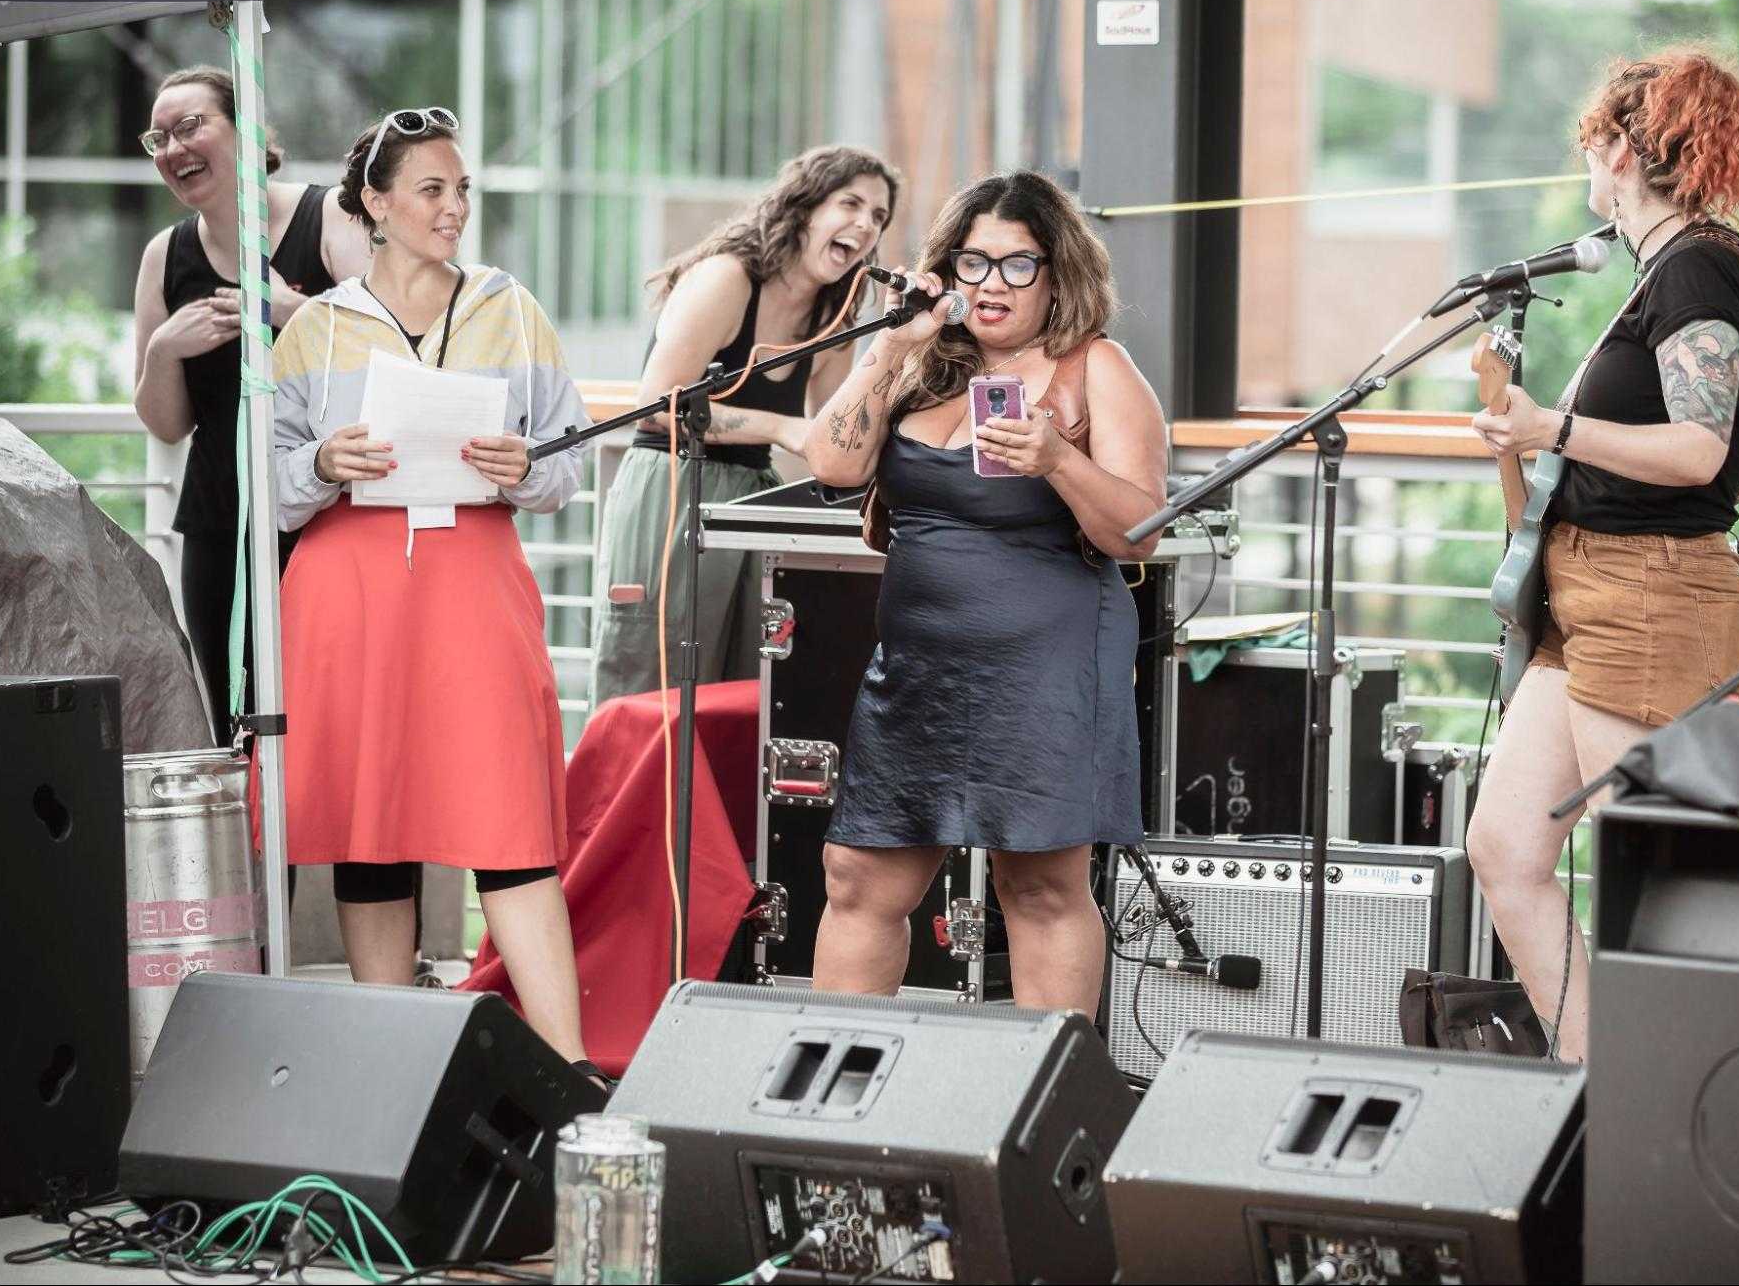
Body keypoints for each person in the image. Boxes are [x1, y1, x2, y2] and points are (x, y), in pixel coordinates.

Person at [270, 107, 600, 1079]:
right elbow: (273, 493)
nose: (455, 207)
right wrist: (323, 460)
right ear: (376, 203)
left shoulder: (511, 306)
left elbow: (562, 473)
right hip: (350, 592)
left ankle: (569, 1070)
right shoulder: (318, 330)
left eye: (462, 189)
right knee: (371, 823)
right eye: (432, 189)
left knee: (507, 814)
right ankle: (388, 1064)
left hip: (473, 587)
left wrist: (519, 465)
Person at [1466, 47, 1739, 1061]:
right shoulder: (1677, 269)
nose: (1586, 159)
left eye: (1596, 139)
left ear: (1626, 148)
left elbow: (1701, 452)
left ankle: (1651, 1109)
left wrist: (1549, 430)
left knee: (1642, 877)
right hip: (1595, 600)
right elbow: (1730, 466)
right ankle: (1590, 1080)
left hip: (1646, 599)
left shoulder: (1696, 269)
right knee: (1505, 845)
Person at [801, 171, 1168, 1017]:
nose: (990, 285)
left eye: (1015, 266)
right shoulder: (916, 356)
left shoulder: (1096, 367)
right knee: (857, 874)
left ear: (1057, 273)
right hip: (921, 661)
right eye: (972, 264)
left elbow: (1140, 528)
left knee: (1039, 884)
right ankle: (829, 1090)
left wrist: (1058, 461)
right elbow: (832, 462)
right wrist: (891, 346)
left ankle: (1049, 1107)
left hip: (1046, 659)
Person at [589, 146, 900, 706]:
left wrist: (900, 354)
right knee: (651, 682)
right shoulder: (726, 278)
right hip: (671, 488)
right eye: (850, 203)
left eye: (878, 217)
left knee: (742, 686)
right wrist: (781, 427)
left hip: (749, 506)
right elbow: (658, 404)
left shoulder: (835, 316)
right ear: (804, 208)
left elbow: (837, 437)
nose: (865, 224)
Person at [131, 65, 371, 738]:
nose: (174, 149)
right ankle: (260, 849)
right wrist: (162, 354)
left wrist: (287, 307)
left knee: (333, 721)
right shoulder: (164, 255)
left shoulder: (326, 215)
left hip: (326, 513)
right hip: (217, 522)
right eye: (157, 139)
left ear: (252, 132)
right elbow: (166, 423)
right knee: (236, 724)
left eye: (191, 126)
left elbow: (382, 342)